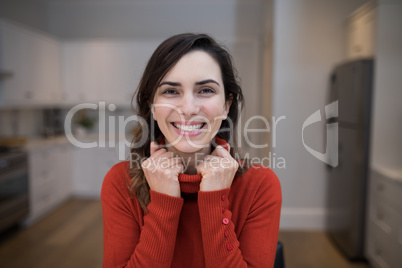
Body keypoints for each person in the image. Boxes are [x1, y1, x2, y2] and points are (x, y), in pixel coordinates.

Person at [101, 33, 282, 268]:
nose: (188, 108)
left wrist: (215, 202)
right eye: (171, 91)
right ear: (151, 106)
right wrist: (164, 203)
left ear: (227, 104)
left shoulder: (260, 186)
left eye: (205, 90)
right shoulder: (120, 183)